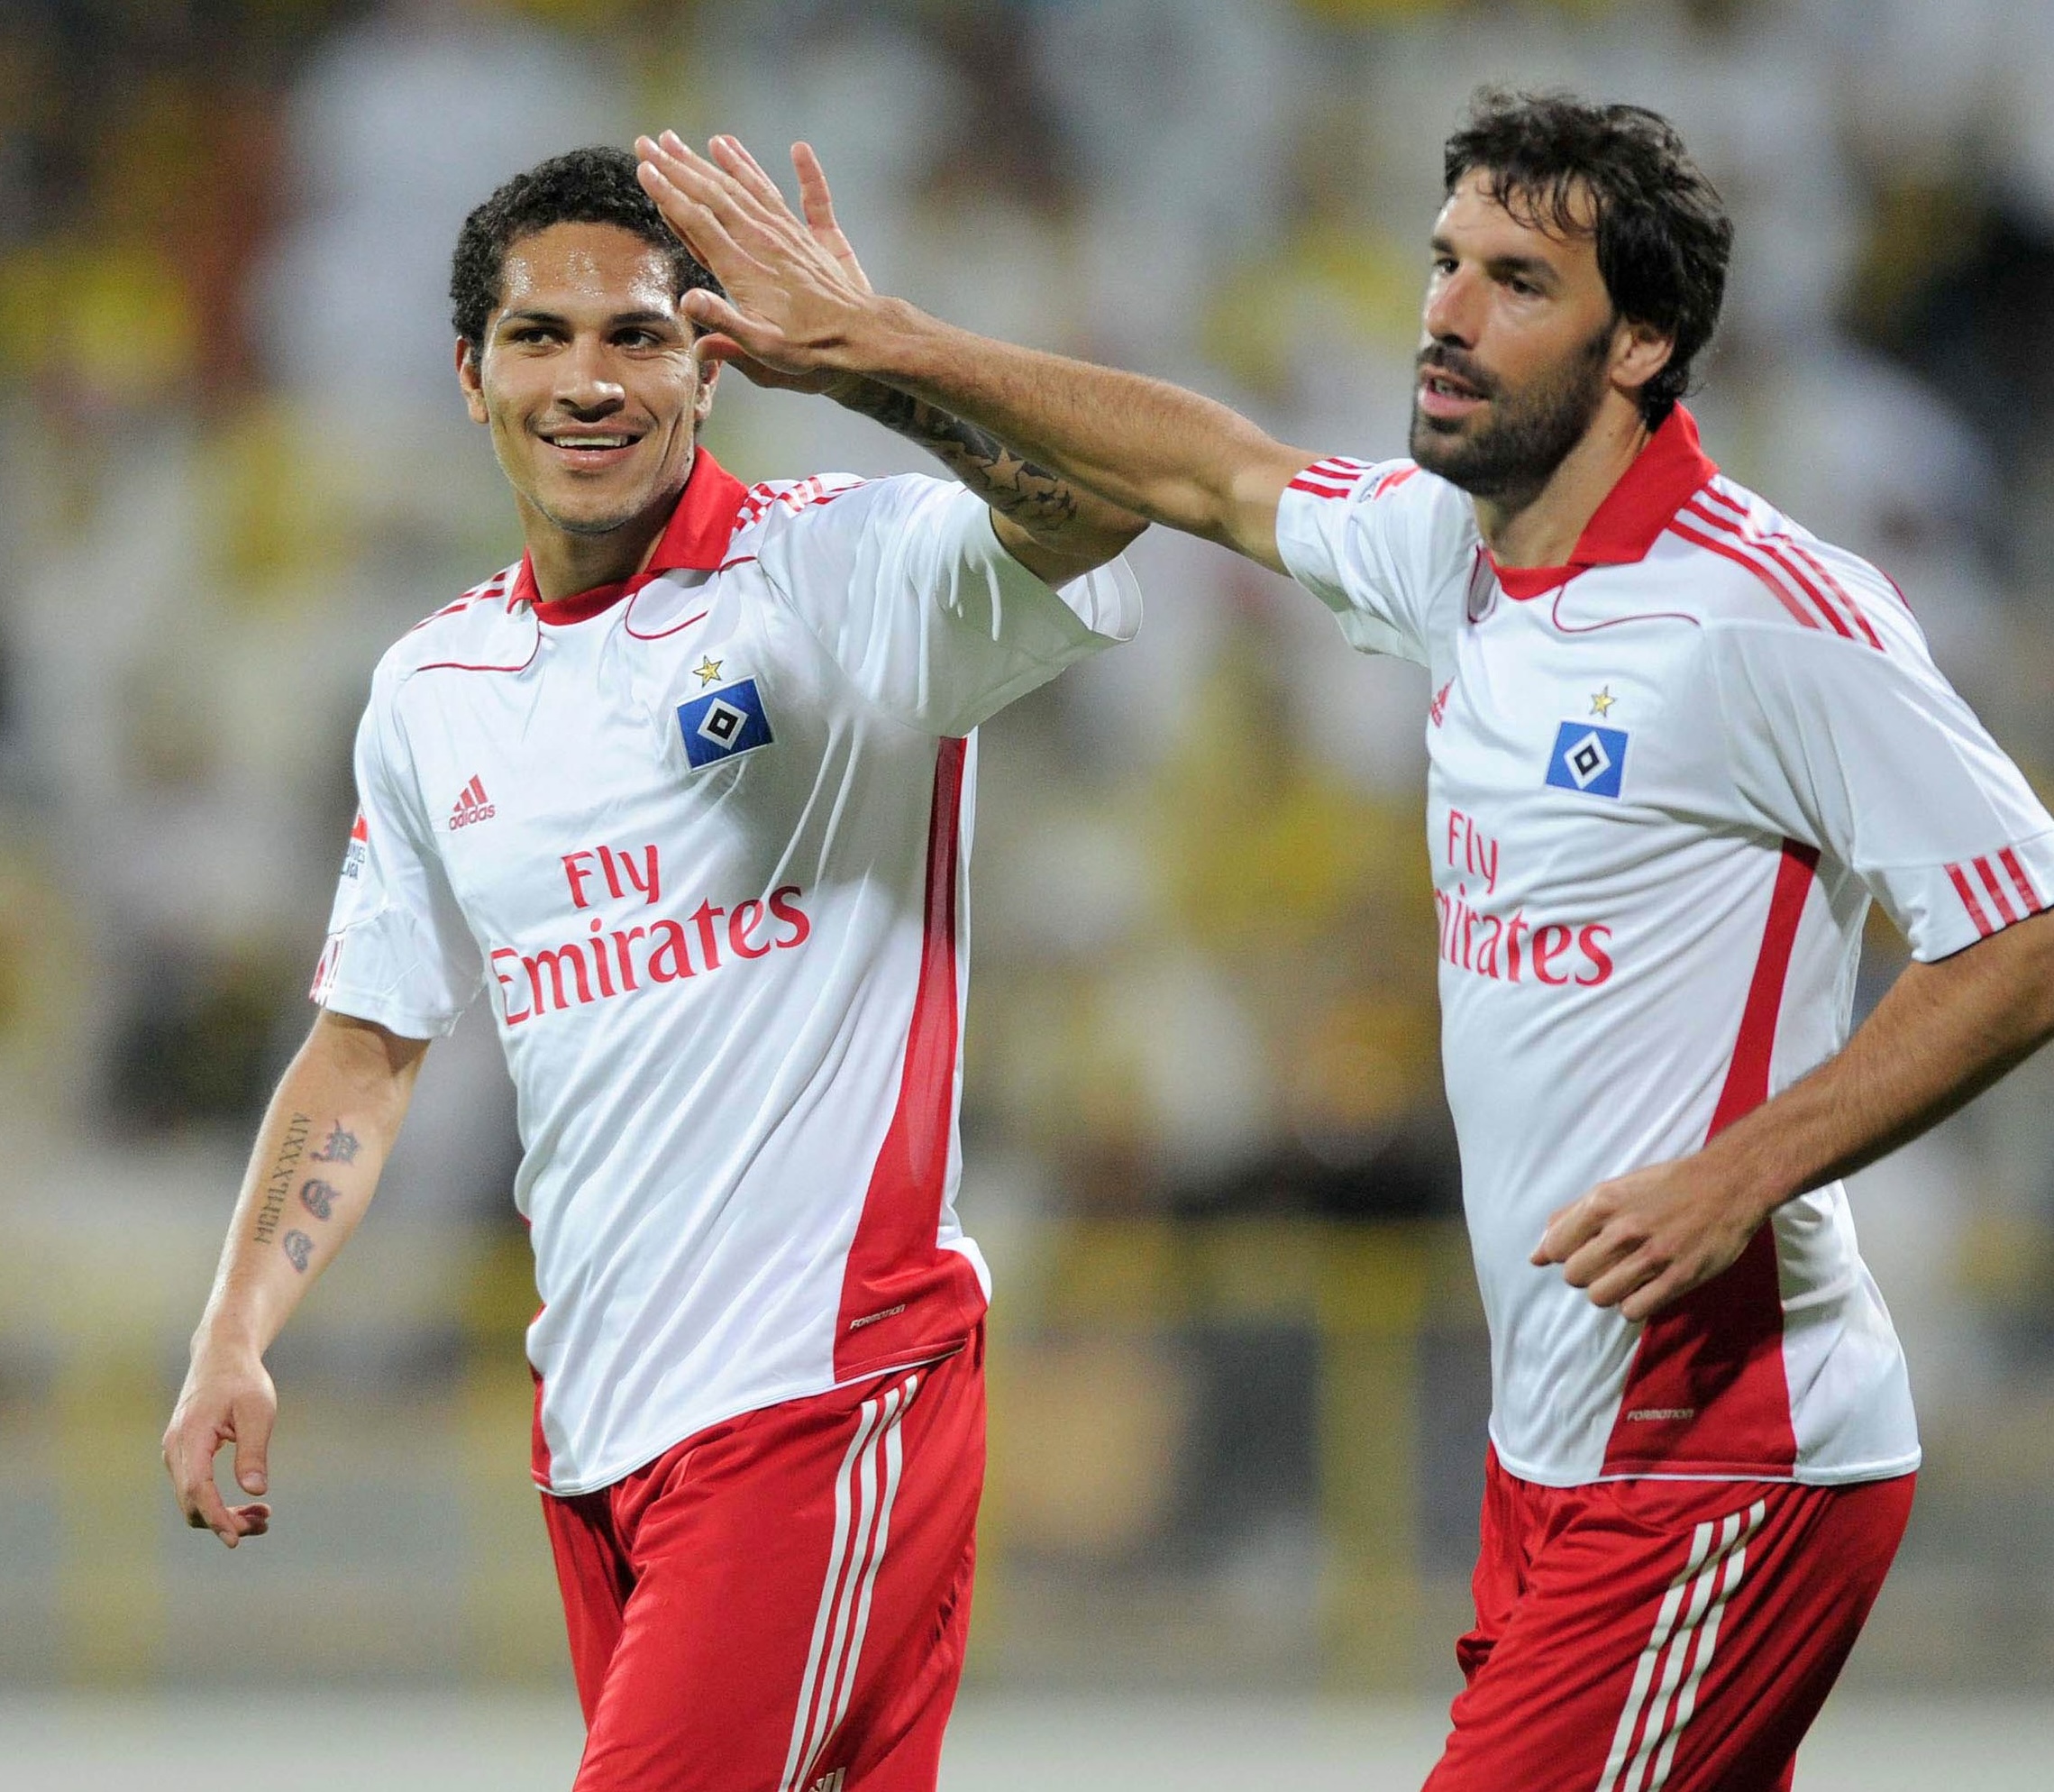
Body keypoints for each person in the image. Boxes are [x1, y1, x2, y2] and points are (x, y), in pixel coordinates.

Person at [634, 93, 2054, 1791]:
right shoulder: (1453, 555)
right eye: (1445, 263)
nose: (1447, 313)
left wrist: (1740, 1171)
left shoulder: (1765, 613)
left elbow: (2026, 928)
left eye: (1519, 282)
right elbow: (1206, 467)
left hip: (1720, 1453)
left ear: (1645, 340)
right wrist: (888, 347)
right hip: (1552, 1449)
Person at [160, 145, 1143, 1792]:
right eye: (540, 339)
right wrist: (235, 1330)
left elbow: (1099, 500)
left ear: (714, 358)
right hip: (601, 1431)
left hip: (824, 1393)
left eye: (638, 336)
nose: (589, 382)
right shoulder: (430, 690)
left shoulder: (845, 573)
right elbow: (367, 1042)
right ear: (468, 375)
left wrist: (882, 351)